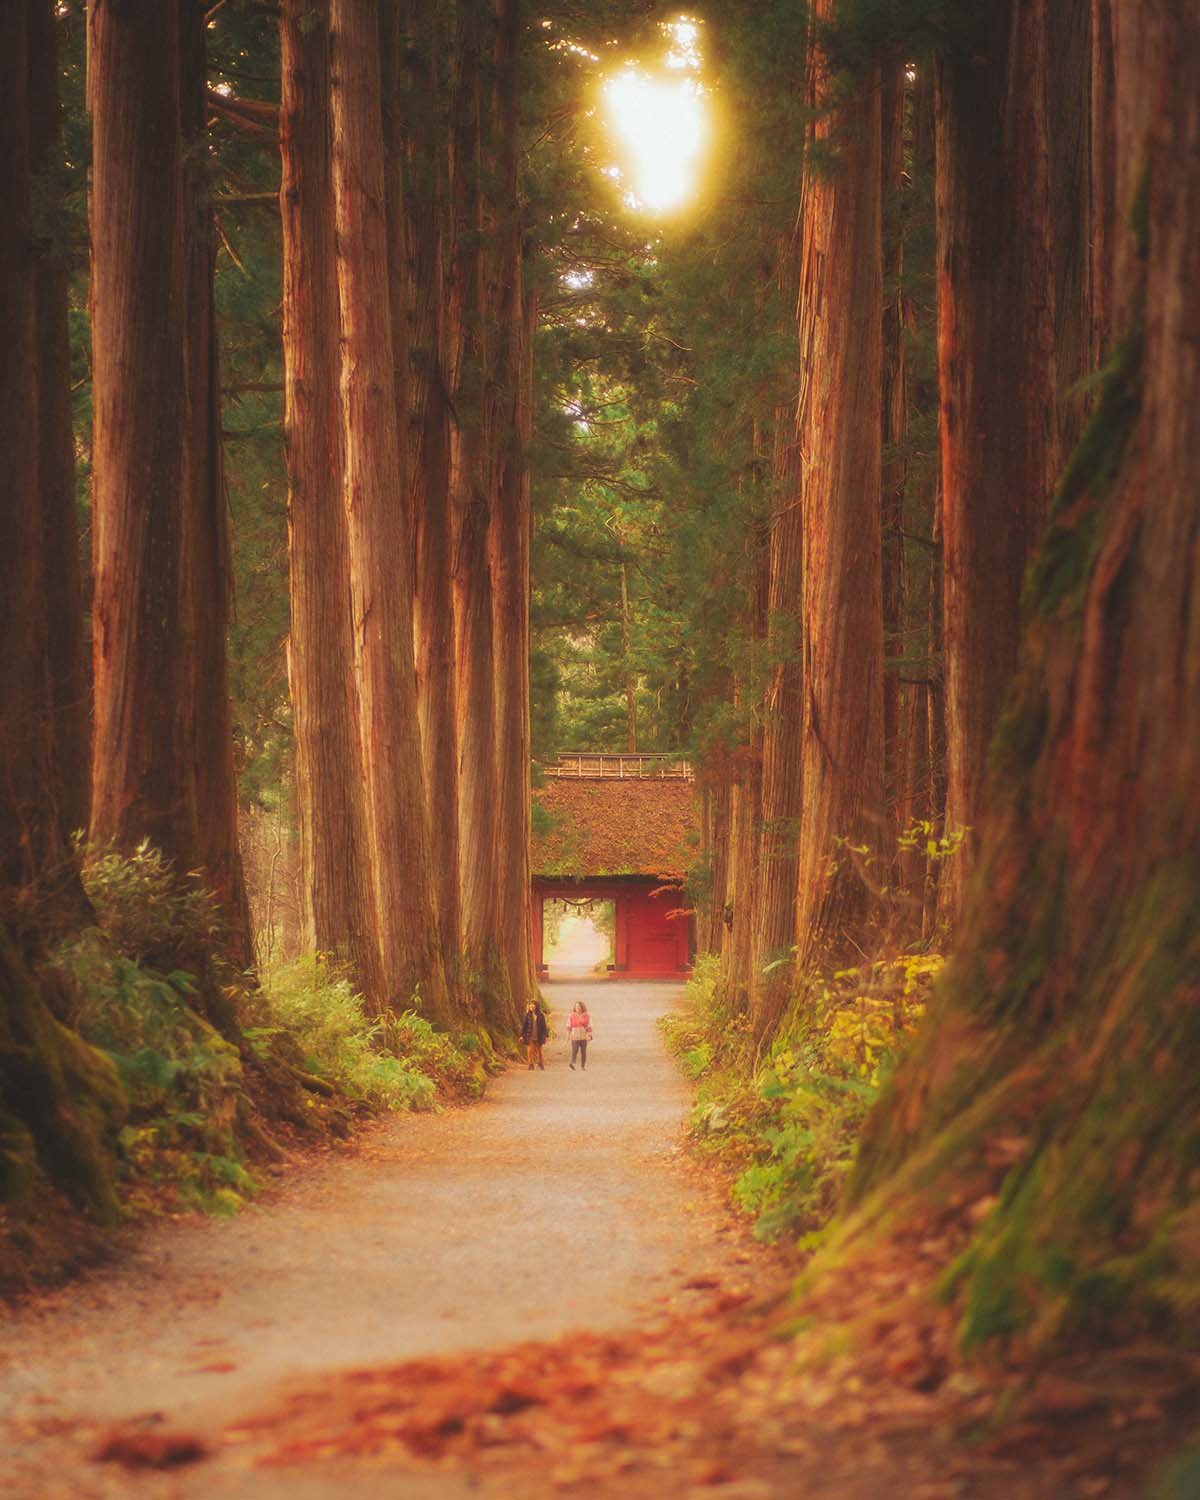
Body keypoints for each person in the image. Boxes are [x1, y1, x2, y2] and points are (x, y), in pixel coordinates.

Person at [521, 999, 548, 1070]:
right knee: (529, 1051)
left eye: (533, 1004)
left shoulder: (541, 1015)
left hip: (539, 1036)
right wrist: (521, 1035)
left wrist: (545, 1036)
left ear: (536, 1006)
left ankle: (541, 1064)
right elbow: (524, 1026)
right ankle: (530, 1064)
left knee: (539, 1051)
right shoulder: (528, 1015)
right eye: (530, 1004)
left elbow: (544, 1026)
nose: (531, 1006)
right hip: (530, 1035)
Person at [566, 1000, 593, 1071]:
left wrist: (589, 1035)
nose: (577, 1008)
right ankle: (572, 1063)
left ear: (582, 1007)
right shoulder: (571, 1016)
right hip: (575, 1035)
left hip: (584, 1035)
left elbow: (589, 1026)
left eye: (579, 1006)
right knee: (574, 1050)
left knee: (583, 1051)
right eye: (576, 1006)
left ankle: (582, 1066)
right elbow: (569, 1026)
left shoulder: (587, 1016)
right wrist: (568, 1036)